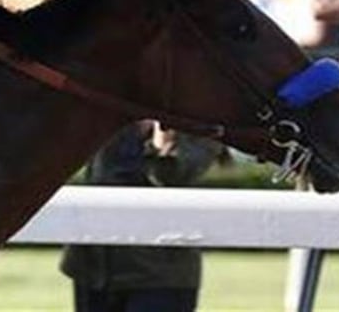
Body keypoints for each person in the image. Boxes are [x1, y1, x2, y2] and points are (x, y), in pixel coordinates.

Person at [59, 121, 225, 312]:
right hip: (93, 269)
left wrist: (161, 143)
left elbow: (169, 178)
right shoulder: (111, 116)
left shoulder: (197, 128)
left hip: (159, 274)